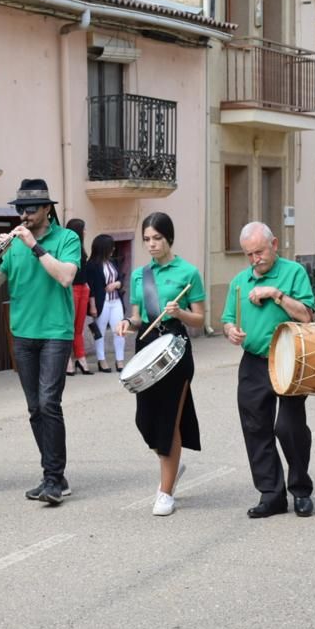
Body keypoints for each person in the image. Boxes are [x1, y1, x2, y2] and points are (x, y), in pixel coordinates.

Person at [0, 178, 80, 505]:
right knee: (35, 407)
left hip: (55, 331)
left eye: (30, 208)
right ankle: (54, 475)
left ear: (47, 209)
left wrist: (35, 247)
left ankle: (53, 478)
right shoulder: (13, 244)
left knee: (49, 403)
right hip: (22, 333)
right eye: (20, 208)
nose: (24, 214)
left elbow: (66, 276)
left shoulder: (66, 238)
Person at [221, 222, 315, 519]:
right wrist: (231, 331)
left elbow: (307, 315)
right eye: (249, 254)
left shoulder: (293, 273)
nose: (255, 259)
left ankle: (300, 490)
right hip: (253, 361)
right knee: (255, 426)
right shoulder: (239, 281)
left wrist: (276, 294)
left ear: (274, 244)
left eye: (259, 252)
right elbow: (227, 319)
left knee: (289, 427)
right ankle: (271, 494)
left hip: (289, 358)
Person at [114, 213, 205, 516]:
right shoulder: (141, 275)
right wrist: (128, 322)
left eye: (157, 239)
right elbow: (139, 316)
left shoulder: (188, 272)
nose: (152, 245)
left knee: (169, 421)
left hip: (176, 349)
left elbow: (200, 318)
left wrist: (180, 313)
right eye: (147, 240)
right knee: (145, 421)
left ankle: (165, 492)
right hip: (146, 348)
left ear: (169, 238)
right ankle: (173, 464)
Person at [86, 234, 127, 372]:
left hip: (116, 301)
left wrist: (117, 283)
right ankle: (101, 360)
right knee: (100, 332)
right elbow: (90, 288)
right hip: (100, 303)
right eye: (111, 246)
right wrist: (92, 306)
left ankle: (120, 361)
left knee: (119, 331)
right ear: (103, 248)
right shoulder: (91, 265)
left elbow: (120, 278)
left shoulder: (112, 262)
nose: (114, 249)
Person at [64, 218, 93, 376]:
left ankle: (80, 358)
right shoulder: (68, 247)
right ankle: (68, 359)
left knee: (79, 327)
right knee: (70, 325)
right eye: (84, 229)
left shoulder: (81, 248)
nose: (86, 231)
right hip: (72, 288)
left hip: (83, 288)